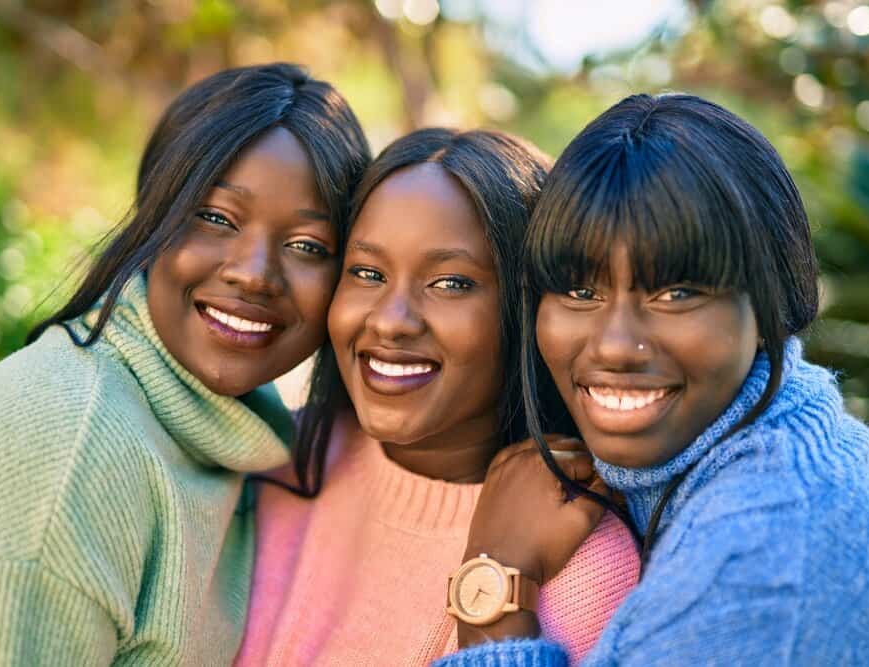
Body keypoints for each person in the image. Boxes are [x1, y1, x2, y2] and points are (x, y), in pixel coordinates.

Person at [434, 94, 869, 666]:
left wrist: (496, 576)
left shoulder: (758, 559)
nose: (616, 345)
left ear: (774, 301)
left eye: (677, 293)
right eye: (579, 291)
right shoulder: (755, 458)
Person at [0, 63, 370, 665]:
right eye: (216, 217)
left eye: (308, 247)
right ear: (151, 219)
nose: (255, 273)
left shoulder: (228, 439)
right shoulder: (64, 468)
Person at [234, 128, 640, 666]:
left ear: (529, 307)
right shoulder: (265, 461)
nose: (391, 321)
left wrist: (499, 579)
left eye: (450, 283)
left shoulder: (586, 560)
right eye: (368, 273)